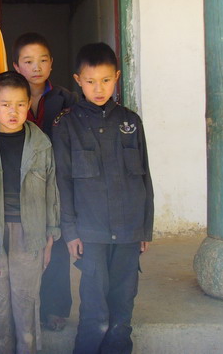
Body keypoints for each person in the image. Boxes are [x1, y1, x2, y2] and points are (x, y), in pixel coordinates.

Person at [52, 43, 154, 354]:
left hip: (128, 230)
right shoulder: (66, 124)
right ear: (78, 80)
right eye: (91, 81)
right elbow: (62, 182)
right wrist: (70, 232)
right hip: (90, 233)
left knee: (123, 307)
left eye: (106, 80)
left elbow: (145, 178)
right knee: (94, 310)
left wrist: (145, 228)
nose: (99, 88)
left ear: (117, 78)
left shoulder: (130, 122)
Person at [0, 72, 60, 354]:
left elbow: (51, 191)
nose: (13, 111)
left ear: (29, 104)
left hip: (30, 233)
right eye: (6, 104)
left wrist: (50, 235)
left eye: (20, 104)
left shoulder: (40, 143)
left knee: (26, 299)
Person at [12, 32, 78, 331]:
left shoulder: (67, 99)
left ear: (51, 63)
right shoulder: (9, 97)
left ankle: (55, 308)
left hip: (57, 182)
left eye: (42, 60)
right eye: (28, 61)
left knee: (57, 246)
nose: (36, 67)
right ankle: (24, 309)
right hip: (19, 182)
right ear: (16, 66)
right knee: (23, 247)